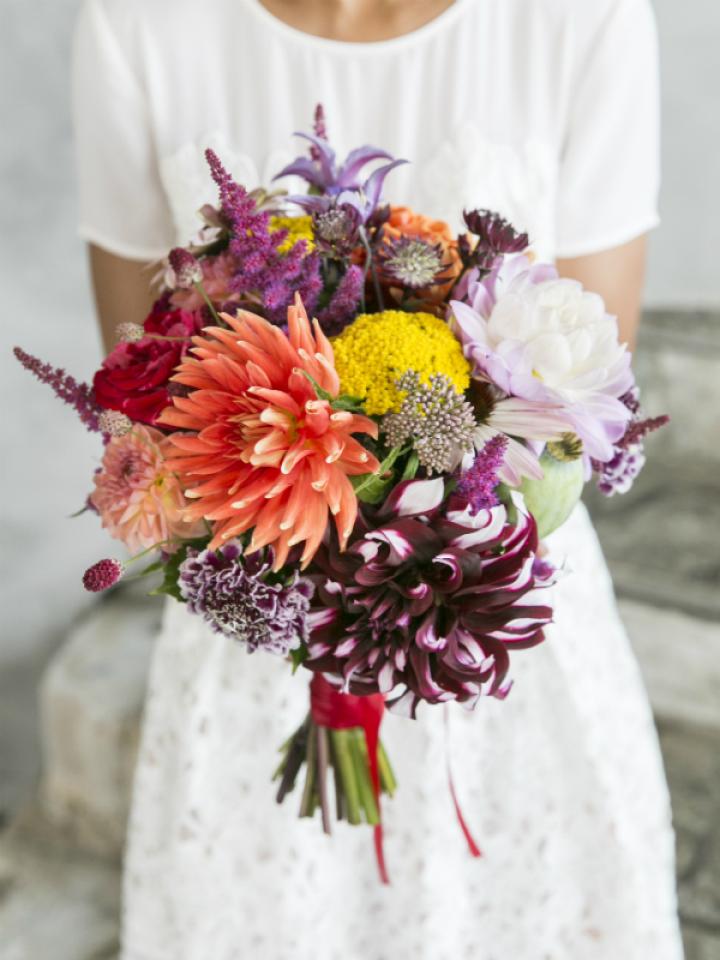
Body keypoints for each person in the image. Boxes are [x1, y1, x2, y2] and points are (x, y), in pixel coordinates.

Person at [72, 1, 685, 957]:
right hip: (253, 630)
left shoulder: (587, 19)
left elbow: (582, 397)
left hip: (490, 615)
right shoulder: (136, 26)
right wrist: (299, 544)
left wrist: (400, 526)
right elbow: (142, 393)